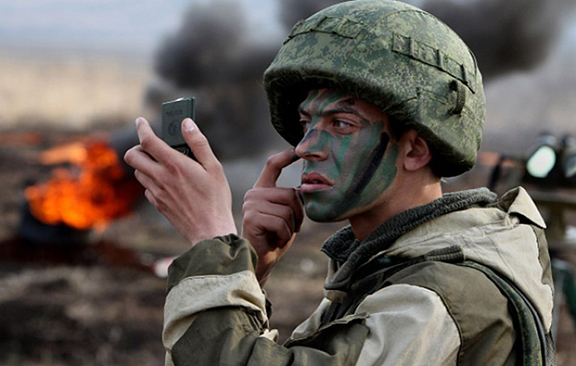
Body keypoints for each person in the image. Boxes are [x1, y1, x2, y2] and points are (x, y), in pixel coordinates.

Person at [124, 1, 555, 364]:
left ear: (415, 150)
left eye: (342, 124)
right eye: (306, 122)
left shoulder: (439, 299)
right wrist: (250, 266)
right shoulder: (387, 267)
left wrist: (212, 240)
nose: (306, 146)